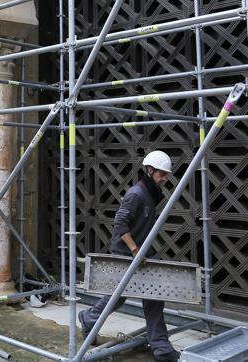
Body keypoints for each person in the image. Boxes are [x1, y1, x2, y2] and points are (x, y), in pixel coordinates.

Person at [79, 150, 179, 362]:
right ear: (150, 171)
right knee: (118, 297)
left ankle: (161, 348)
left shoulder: (150, 193)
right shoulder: (137, 194)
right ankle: (89, 318)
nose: (165, 179)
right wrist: (135, 251)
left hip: (140, 254)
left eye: (166, 175)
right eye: (162, 174)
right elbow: (120, 223)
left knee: (151, 298)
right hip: (127, 254)